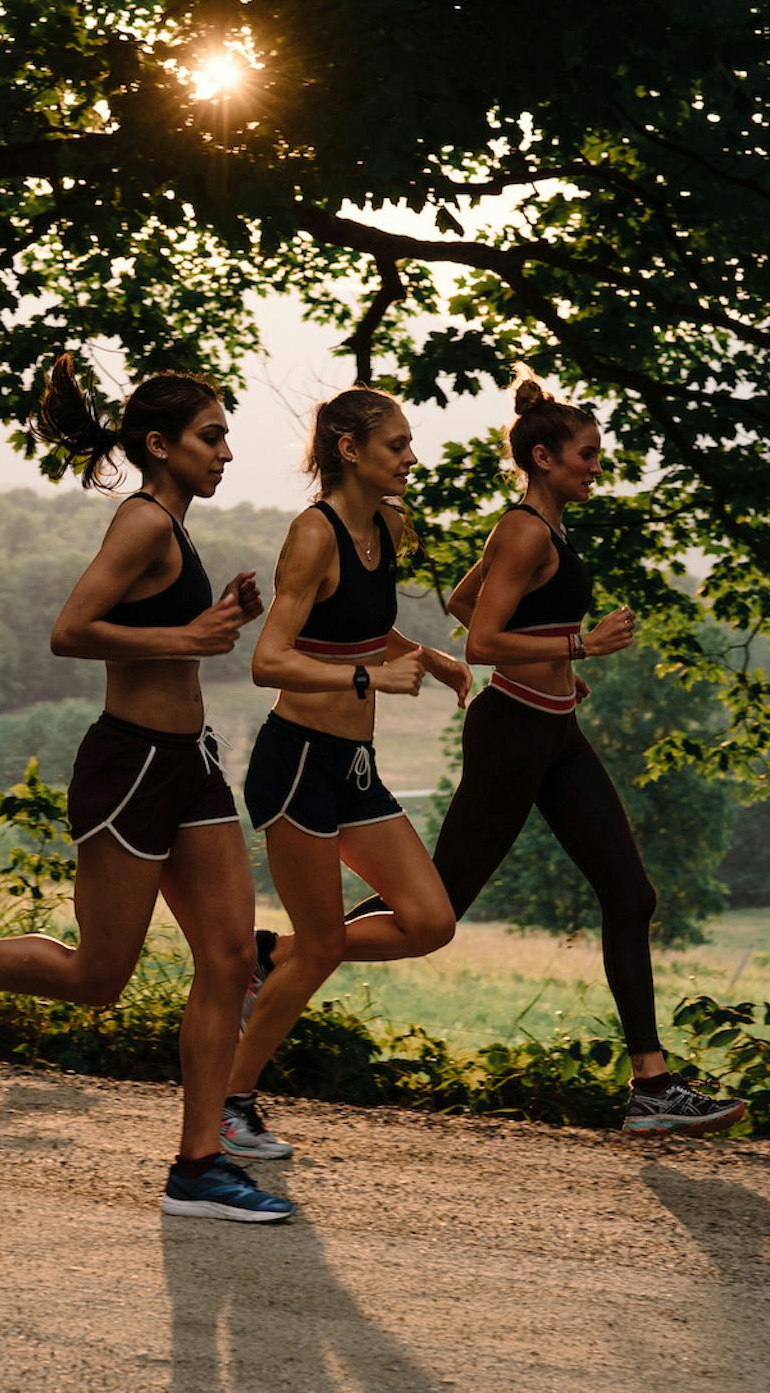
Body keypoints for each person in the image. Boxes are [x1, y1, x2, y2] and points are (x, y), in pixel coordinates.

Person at [0, 354, 294, 1221]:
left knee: (232, 956)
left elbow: (162, 625)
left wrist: (214, 622)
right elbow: (68, 632)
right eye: (212, 438)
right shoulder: (141, 522)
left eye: (226, 439)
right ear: (161, 445)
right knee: (99, 975)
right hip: (130, 765)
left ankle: (199, 1165)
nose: (226, 455)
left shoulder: (176, 523)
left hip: (190, 764)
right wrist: (193, 638)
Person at [348, 375, 746, 1134]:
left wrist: (560, 669)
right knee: (439, 906)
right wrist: (578, 644)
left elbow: (472, 602)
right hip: (512, 734)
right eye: (588, 455)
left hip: (554, 729)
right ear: (544, 457)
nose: (598, 466)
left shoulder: (543, 529)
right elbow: (478, 642)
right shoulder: (527, 528)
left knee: (632, 896)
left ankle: (652, 1088)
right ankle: (276, 957)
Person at [214, 388, 474, 1164]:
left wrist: (424, 653)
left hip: (355, 767)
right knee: (325, 946)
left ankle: (271, 956)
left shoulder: (387, 524)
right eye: (397, 445)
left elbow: (360, 623)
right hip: (296, 765)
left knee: (429, 921)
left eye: (409, 442)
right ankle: (230, 1105)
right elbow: (268, 660)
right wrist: (371, 679)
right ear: (350, 450)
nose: (411, 457)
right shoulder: (314, 533)